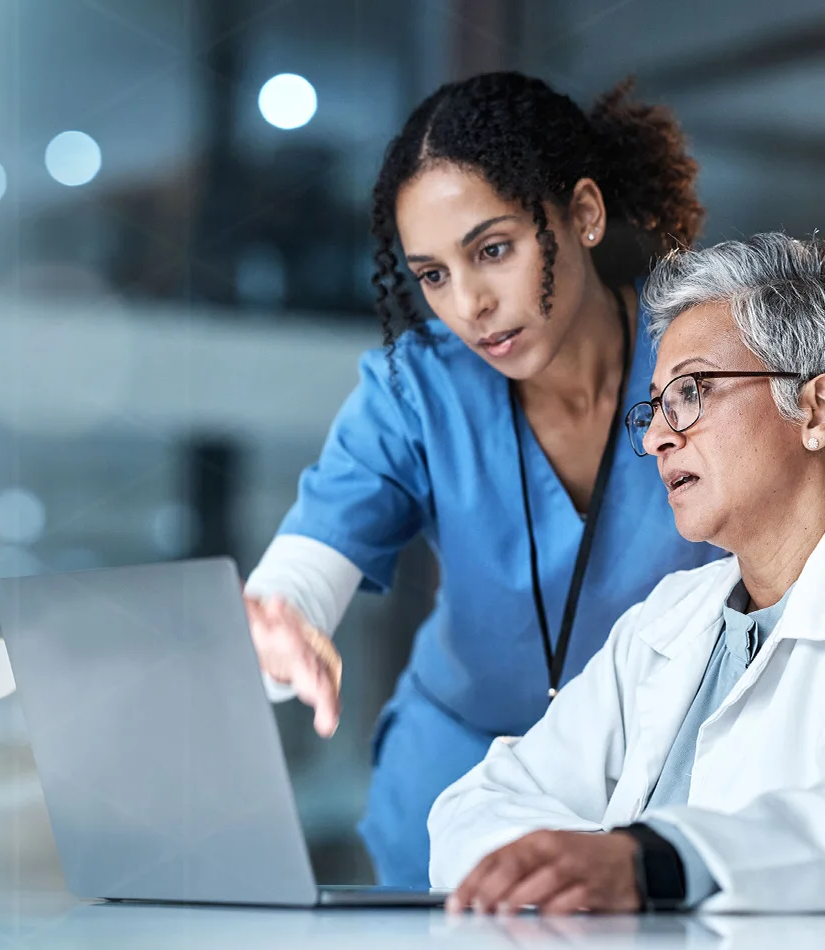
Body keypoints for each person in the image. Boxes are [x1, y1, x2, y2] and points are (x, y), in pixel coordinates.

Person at [243, 71, 720, 887]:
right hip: (453, 786)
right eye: (432, 275)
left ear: (584, 215)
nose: (470, 306)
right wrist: (283, 617)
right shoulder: (418, 391)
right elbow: (318, 544)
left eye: (492, 250)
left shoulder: (708, 366)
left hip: (667, 781)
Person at [429, 232, 825, 914]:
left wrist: (651, 863)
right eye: (655, 405)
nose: (654, 437)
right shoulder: (667, 623)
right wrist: (594, 865)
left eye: (693, 391)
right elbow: (473, 807)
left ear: (814, 409)